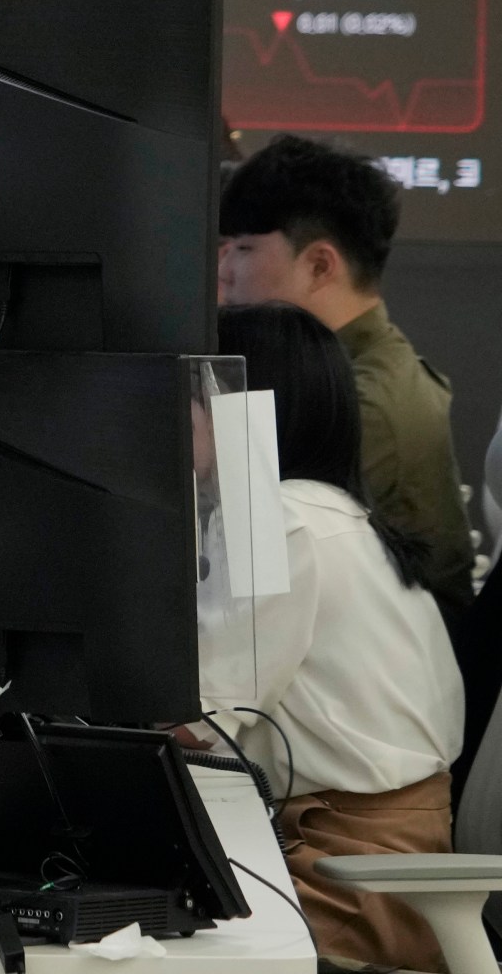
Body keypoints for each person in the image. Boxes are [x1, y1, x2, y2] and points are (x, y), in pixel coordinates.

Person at [201, 302, 464, 974]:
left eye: (195, 391)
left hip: (354, 878)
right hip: (367, 852)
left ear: (244, 409)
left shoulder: (278, 520)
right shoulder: (324, 510)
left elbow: (199, 719)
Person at [218, 133, 473, 617]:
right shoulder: (353, 370)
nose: (225, 271)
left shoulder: (360, 404)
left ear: (318, 265)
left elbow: (246, 560)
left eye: (244, 249)